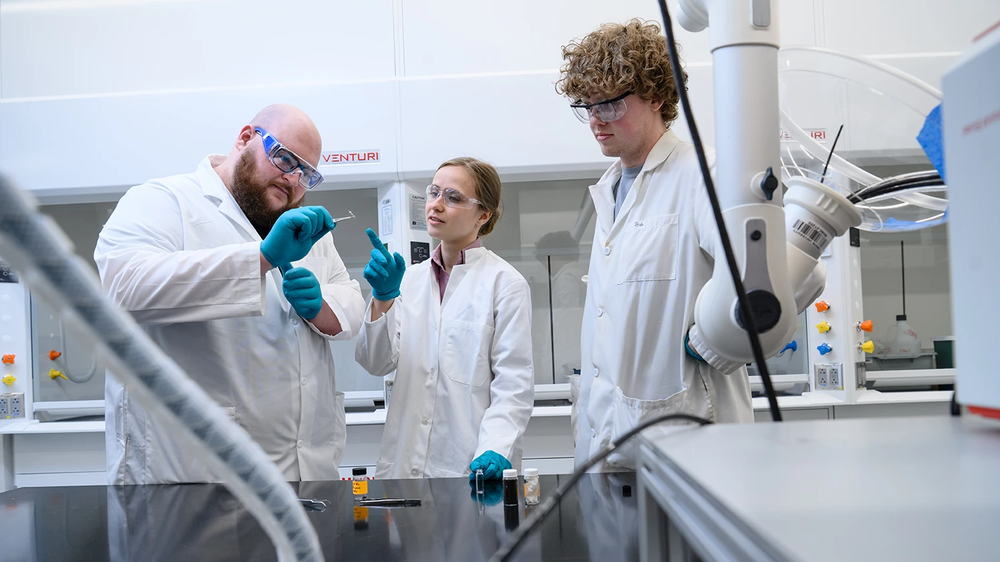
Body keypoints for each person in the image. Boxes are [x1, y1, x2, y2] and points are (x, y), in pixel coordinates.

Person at [557, 20, 825, 470]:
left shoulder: (706, 175)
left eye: (611, 104)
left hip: (691, 442)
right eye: (587, 106)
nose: (597, 120)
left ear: (657, 97)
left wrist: (715, 341)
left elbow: (797, 277)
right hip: (608, 445)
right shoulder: (611, 189)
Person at [94, 104, 365, 484]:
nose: (292, 180)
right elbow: (127, 288)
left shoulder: (308, 229)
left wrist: (322, 307)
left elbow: (349, 301)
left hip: (307, 472)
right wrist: (261, 257)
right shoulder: (164, 201)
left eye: (306, 173)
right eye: (284, 158)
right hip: (194, 477)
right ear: (244, 139)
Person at [355, 157, 535, 480]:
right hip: (403, 467)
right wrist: (382, 297)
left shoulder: (505, 284)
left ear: (484, 215)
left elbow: (513, 384)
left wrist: (495, 447)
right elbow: (376, 362)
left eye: (452, 197)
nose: (436, 205)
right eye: (434, 192)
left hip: (467, 466)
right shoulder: (408, 280)